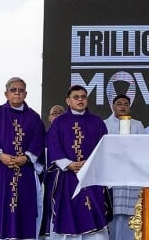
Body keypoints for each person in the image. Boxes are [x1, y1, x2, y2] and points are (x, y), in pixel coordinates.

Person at [0, 77, 45, 240]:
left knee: (24, 214)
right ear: (6, 93)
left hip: (25, 173)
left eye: (21, 90)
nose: (17, 93)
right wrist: (0, 155)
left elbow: (38, 140)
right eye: (13, 90)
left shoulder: (34, 117)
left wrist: (26, 157)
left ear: (26, 94)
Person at [47, 85, 110, 239]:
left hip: (91, 176)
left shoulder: (97, 122)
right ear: (68, 101)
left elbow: (105, 146)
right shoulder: (59, 123)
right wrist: (68, 164)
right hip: (67, 177)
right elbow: (53, 145)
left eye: (83, 96)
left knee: (95, 218)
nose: (80, 99)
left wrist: (89, 163)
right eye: (76, 97)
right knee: (67, 217)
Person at [104, 94, 145, 240]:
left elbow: (144, 147)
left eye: (126, 104)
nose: (123, 106)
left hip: (131, 175)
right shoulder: (105, 124)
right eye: (119, 103)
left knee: (132, 213)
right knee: (114, 213)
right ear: (113, 106)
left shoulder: (137, 125)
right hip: (113, 176)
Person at [40, 104, 65, 240]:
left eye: (61, 113)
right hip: (49, 176)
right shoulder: (44, 135)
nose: (57, 115)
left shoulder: (69, 133)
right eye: (54, 113)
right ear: (49, 118)